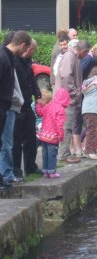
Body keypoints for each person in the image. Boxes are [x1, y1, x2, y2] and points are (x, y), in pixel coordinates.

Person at [0, 31, 31, 187]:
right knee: (5, 144)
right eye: (26, 49)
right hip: (3, 107)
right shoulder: (3, 57)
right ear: (22, 45)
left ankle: (5, 178)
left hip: (6, 106)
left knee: (5, 144)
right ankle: (5, 177)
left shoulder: (8, 57)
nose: (25, 53)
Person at [55, 40, 90, 163]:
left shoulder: (72, 57)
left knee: (68, 126)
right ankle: (63, 154)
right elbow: (66, 77)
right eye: (85, 54)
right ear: (83, 51)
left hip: (68, 98)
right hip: (67, 99)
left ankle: (65, 153)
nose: (85, 56)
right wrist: (75, 92)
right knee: (67, 127)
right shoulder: (70, 57)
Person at [13, 39, 42, 178]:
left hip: (27, 104)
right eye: (33, 50)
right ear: (28, 48)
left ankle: (30, 165)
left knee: (31, 137)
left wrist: (37, 94)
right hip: (18, 105)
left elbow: (32, 80)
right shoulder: (15, 61)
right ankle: (16, 169)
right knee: (16, 140)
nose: (33, 53)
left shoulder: (28, 62)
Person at [35, 88, 70, 178]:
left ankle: (46, 171)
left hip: (43, 136)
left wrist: (38, 104)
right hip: (53, 137)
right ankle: (52, 171)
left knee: (45, 154)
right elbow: (59, 124)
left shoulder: (48, 105)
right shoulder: (60, 109)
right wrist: (60, 136)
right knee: (52, 154)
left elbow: (39, 113)